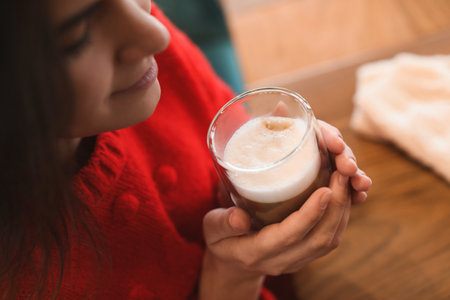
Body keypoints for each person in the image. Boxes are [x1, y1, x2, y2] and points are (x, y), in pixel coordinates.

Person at [0, 0, 371, 299]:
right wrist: (231, 278)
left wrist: (259, 204)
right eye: (78, 36)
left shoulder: (145, 64)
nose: (158, 34)